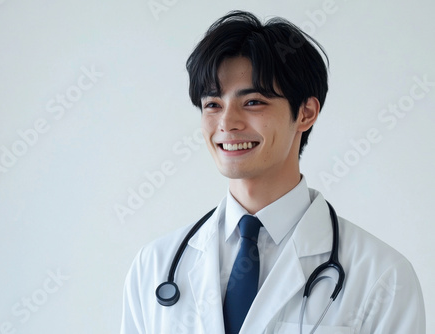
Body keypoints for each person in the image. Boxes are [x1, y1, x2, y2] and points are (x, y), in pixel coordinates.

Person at [120, 10, 425, 334]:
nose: (227, 123)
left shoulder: (382, 277)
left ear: (306, 113)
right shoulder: (154, 267)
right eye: (213, 105)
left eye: (252, 102)